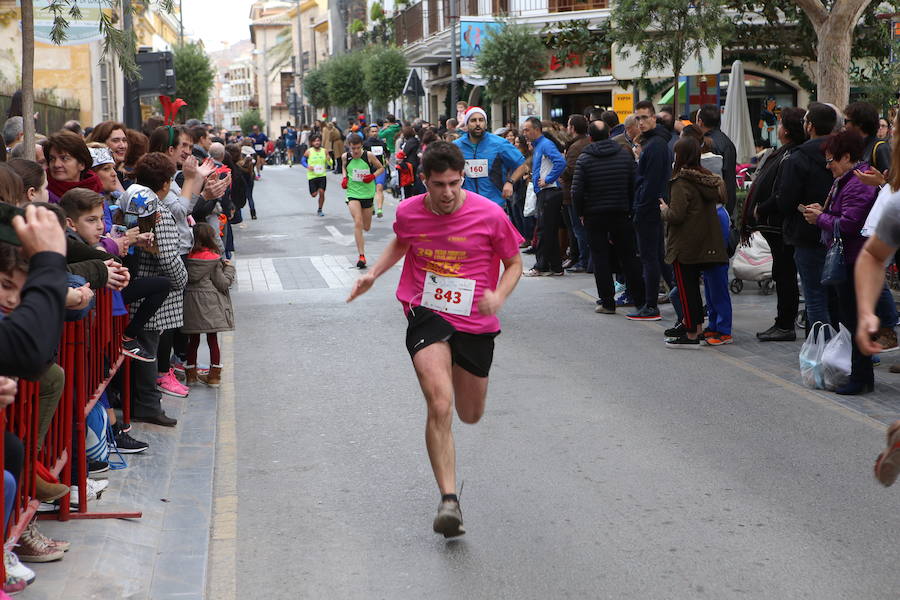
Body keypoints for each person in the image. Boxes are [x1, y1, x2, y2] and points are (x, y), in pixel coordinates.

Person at [346, 141, 523, 538]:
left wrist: (499, 295)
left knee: (469, 413)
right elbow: (402, 241)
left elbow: (514, 264)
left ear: (463, 179)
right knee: (438, 400)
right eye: (439, 184)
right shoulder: (410, 210)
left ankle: (459, 369)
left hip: (475, 319)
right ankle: (448, 501)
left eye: (455, 183)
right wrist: (373, 273)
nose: (447, 193)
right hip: (426, 308)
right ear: (423, 180)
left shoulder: (490, 215)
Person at [803, 129, 877, 394]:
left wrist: (820, 219)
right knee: (849, 317)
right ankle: (860, 374)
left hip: (856, 260)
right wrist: (823, 212)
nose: (828, 165)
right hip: (849, 258)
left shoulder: (859, 182)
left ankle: (860, 377)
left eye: (832, 159)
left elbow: (849, 224)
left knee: (854, 319)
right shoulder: (847, 179)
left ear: (847, 157)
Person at [743, 107, 807, 342]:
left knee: (785, 273)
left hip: (783, 226)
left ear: (788, 131)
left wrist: (762, 208)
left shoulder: (792, 155)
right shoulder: (787, 153)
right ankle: (784, 322)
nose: (778, 129)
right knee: (783, 272)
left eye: (781, 124)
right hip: (781, 226)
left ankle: (785, 323)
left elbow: (783, 194)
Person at [660, 137, 729, 348]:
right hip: (704, 241)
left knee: (687, 289)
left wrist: (664, 210)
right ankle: (696, 328)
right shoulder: (705, 178)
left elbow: (677, 215)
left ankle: (691, 332)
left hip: (684, 244)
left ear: (679, 156)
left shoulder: (682, 182)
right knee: (694, 289)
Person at [572, 119, 645, 313]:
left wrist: (580, 212)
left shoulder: (585, 158)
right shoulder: (623, 154)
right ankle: (641, 301)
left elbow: (576, 191)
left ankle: (607, 302)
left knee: (600, 258)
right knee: (628, 256)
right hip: (621, 212)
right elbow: (634, 183)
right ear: (609, 134)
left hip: (594, 215)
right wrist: (629, 206)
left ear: (590, 138)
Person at [776, 102, 837, 328]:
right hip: (838, 232)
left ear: (810, 126)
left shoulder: (798, 157)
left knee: (815, 296)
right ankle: (841, 347)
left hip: (807, 233)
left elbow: (786, 200)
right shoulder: (845, 153)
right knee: (836, 296)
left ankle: (822, 349)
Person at [628, 101, 674, 320]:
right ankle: (676, 294)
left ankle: (650, 305)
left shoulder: (655, 145)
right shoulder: (654, 143)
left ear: (654, 118)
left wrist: (640, 207)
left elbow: (651, 182)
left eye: (645, 117)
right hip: (649, 206)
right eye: (638, 118)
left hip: (648, 208)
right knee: (657, 255)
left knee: (649, 257)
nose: (641, 122)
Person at [182, 223, 235, 388]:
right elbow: (223, 283)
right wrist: (230, 269)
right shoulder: (214, 260)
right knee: (212, 340)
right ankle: (214, 377)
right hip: (211, 304)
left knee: (193, 340)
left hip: (191, 303)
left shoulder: (187, 258)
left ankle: (191, 375)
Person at [452, 107, 528, 209]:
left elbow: (523, 165)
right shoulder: (456, 146)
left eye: (481, 120)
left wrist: (510, 182)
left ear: (486, 123)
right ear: (467, 123)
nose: (478, 123)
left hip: (494, 203)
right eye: (473, 120)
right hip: (466, 205)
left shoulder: (499, 143)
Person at [521, 116, 567, 276]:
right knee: (549, 230)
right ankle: (555, 266)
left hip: (549, 192)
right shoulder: (541, 145)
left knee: (543, 230)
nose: (524, 133)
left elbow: (561, 163)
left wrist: (547, 179)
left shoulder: (545, 144)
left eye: (527, 129)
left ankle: (540, 266)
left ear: (536, 129)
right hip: (546, 192)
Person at [341, 133, 384, 268]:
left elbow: (381, 168)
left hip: (367, 194)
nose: (355, 151)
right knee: (358, 221)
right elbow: (344, 168)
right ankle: (361, 256)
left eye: (358, 148)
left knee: (366, 227)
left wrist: (372, 176)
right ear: (349, 146)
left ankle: (371, 211)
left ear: (362, 146)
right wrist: (344, 178)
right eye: (353, 148)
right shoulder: (345, 157)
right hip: (353, 194)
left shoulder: (368, 156)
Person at [696, 104, 738, 214]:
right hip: (726, 203)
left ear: (700, 122)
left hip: (711, 205)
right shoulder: (728, 143)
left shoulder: (705, 145)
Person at [363, 124, 389, 218]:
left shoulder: (381, 143)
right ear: (369, 133)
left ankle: (379, 209)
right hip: (369, 170)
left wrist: (387, 160)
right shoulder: (365, 144)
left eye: (376, 131)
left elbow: (387, 152)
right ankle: (372, 206)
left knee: (379, 188)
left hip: (380, 169)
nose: (374, 133)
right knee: (370, 190)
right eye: (372, 131)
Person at [302, 134, 331, 216]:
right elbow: (302, 161)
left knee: (322, 192)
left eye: (318, 141)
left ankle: (320, 209)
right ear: (312, 143)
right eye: (315, 141)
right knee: (314, 195)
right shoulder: (308, 151)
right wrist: (307, 166)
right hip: (312, 176)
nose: (317, 142)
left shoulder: (324, 151)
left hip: (322, 175)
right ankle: (318, 189)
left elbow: (330, 163)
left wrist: (329, 159)